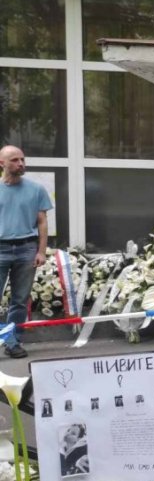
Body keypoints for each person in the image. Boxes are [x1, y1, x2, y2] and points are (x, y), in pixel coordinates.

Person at [0, 145, 53, 359]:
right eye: (14, 160)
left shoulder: (36, 189)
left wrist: (41, 251)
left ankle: (12, 342)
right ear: (2, 163)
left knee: (20, 300)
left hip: (26, 249)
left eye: (22, 159)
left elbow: (42, 222)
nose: (21, 164)